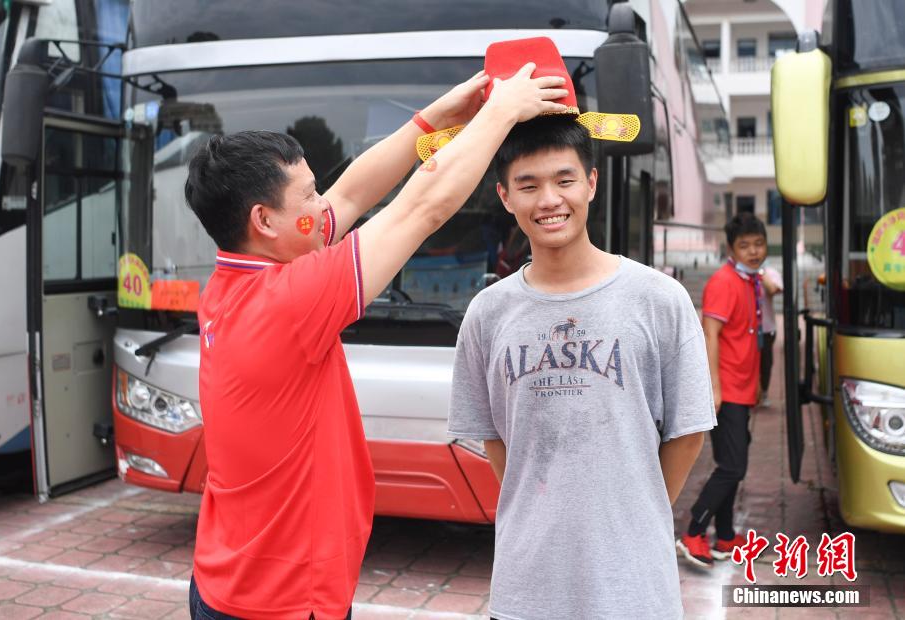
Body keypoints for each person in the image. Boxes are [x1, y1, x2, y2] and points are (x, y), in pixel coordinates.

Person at [184, 65, 569, 620]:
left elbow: (354, 191)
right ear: (264, 220)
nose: (323, 207)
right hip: (281, 603)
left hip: (227, 580)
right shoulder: (288, 301)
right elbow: (423, 207)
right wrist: (501, 112)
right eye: (309, 195)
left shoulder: (232, 284)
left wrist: (435, 118)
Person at [447, 109, 715, 619]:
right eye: (528, 185)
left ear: (590, 183)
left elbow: (687, 433)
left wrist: (637, 509)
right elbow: (495, 439)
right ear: (505, 197)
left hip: (635, 588)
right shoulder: (488, 312)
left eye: (564, 180)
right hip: (526, 588)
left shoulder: (659, 299)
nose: (549, 200)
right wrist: (544, 506)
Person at [677, 212, 768, 568]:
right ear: (731, 249)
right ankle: (694, 530)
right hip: (726, 390)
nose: (753, 251)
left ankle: (727, 536)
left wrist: (757, 383)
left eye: (758, 244)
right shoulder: (724, 282)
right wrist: (713, 387)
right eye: (744, 246)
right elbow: (710, 335)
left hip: (742, 389)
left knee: (732, 463)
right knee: (732, 467)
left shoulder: (750, 281)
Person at [758, 264, 783, 407]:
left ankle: (764, 391)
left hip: (766, 328)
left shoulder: (769, 272)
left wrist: (760, 274)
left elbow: (773, 289)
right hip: (746, 329)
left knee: (766, 362)